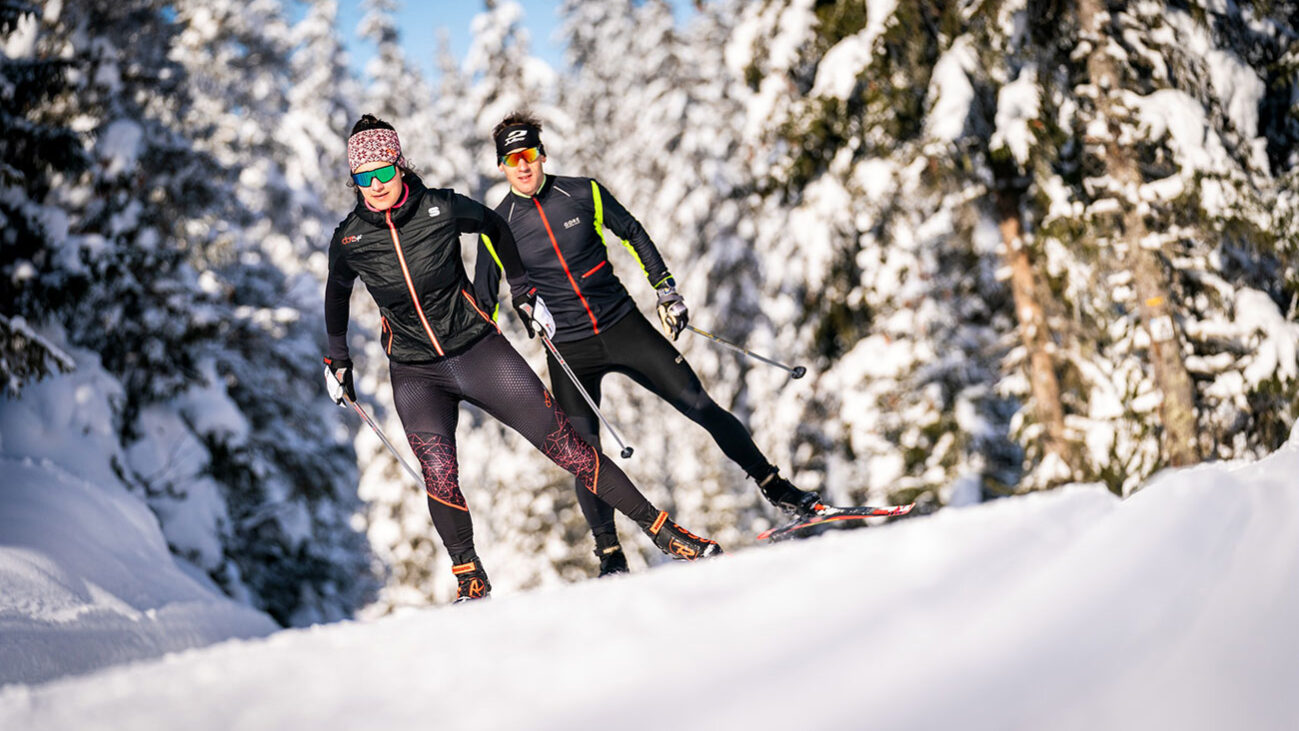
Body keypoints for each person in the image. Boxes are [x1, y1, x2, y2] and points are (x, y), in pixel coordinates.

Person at [324, 115, 721, 603]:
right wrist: (337, 360)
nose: (376, 185)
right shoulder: (350, 239)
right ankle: (470, 578)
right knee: (439, 471)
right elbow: (336, 294)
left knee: (568, 445)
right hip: (414, 370)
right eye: (363, 177)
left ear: (401, 168)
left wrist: (523, 289)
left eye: (384, 172)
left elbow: (495, 225)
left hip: (478, 351)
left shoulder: (441, 208)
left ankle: (664, 531)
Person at [475, 112, 821, 578]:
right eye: (513, 159)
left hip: (623, 327)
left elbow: (633, 231)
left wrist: (666, 289)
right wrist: (489, 357)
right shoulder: (497, 225)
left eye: (530, 154)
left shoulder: (582, 192)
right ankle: (611, 557)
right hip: (568, 351)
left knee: (700, 403)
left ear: (542, 154)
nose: (524, 166)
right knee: (584, 454)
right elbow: (483, 303)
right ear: (501, 165)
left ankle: (779, 489)